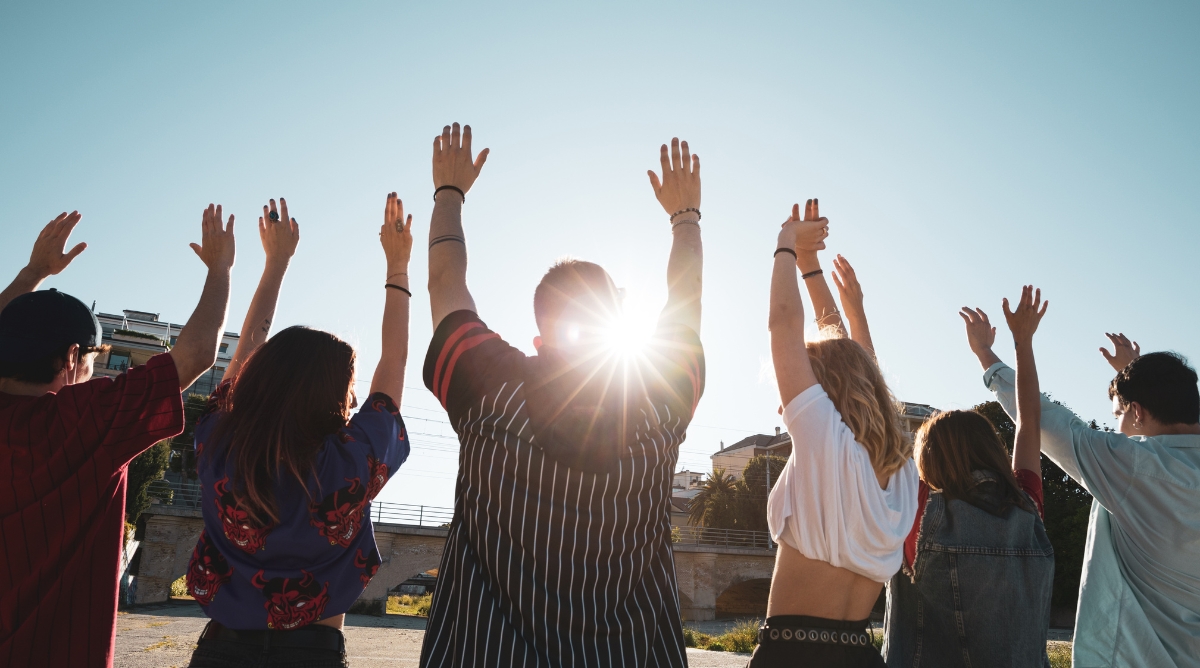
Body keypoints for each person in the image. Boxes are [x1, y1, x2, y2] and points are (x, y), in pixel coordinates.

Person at [418, 124, 705, 667]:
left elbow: (444, 283)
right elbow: (685, 300)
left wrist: (448, 194)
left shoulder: (489, 389)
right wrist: (685, 217)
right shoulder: (660, 403)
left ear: (539, 338)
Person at [1, 207, 236, 668]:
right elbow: (196, 355)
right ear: (72, 358)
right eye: (93, 359)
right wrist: (221, 270)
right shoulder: (84, 419)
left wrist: (31, 274)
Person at [183, 197, 412, 668]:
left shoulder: (219, 442)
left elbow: (250, 344)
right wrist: (398, 267)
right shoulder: (352, 462)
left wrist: (276, 265)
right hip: (314, 652)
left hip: (221, 651)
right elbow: (394, 360)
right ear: (337, 395)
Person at [964, 306, 1200, 666]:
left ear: (1137, 411)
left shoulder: (1132, 465)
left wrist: (986, 355)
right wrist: (1132, 377)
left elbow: (1044, 420)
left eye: (1118, 414)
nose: (1116, 425)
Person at [754, 200, 918, 667]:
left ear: (825, 392)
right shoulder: (900, 472)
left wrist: (786, 241)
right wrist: (811, 268)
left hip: (791, 655)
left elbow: (783, 324)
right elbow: (858, 365)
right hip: (861, 655)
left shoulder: (824, 442)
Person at [882, 287, 1055, 667]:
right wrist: (1020, 343)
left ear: (928, 462)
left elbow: (880, 424)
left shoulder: (917, 510)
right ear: (991, 449)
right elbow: (1029, 421)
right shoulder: (1027, 508)